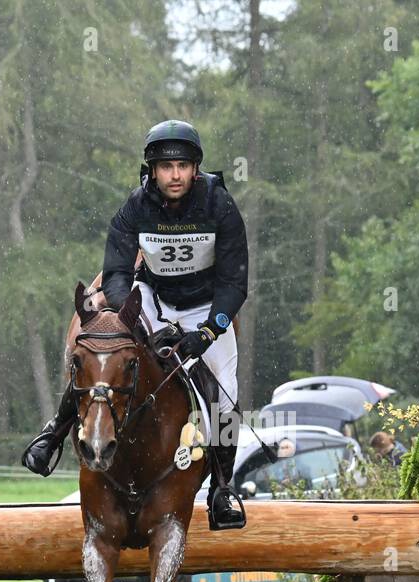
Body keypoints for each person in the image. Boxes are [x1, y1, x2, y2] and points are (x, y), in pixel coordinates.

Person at [22, 119, 251, 529]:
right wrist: (124, 311)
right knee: (103, 352)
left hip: (206, 306)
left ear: (195, 169)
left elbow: (235, 283)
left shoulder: (220, 206)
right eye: (166, 167)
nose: (175, 175)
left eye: (183, 166)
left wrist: (209, 332)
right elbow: (114, 273)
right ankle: (54, 432)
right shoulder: (135, 207)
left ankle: (222, 488)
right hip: (153, 298)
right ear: (152, 171)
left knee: (226, 391)